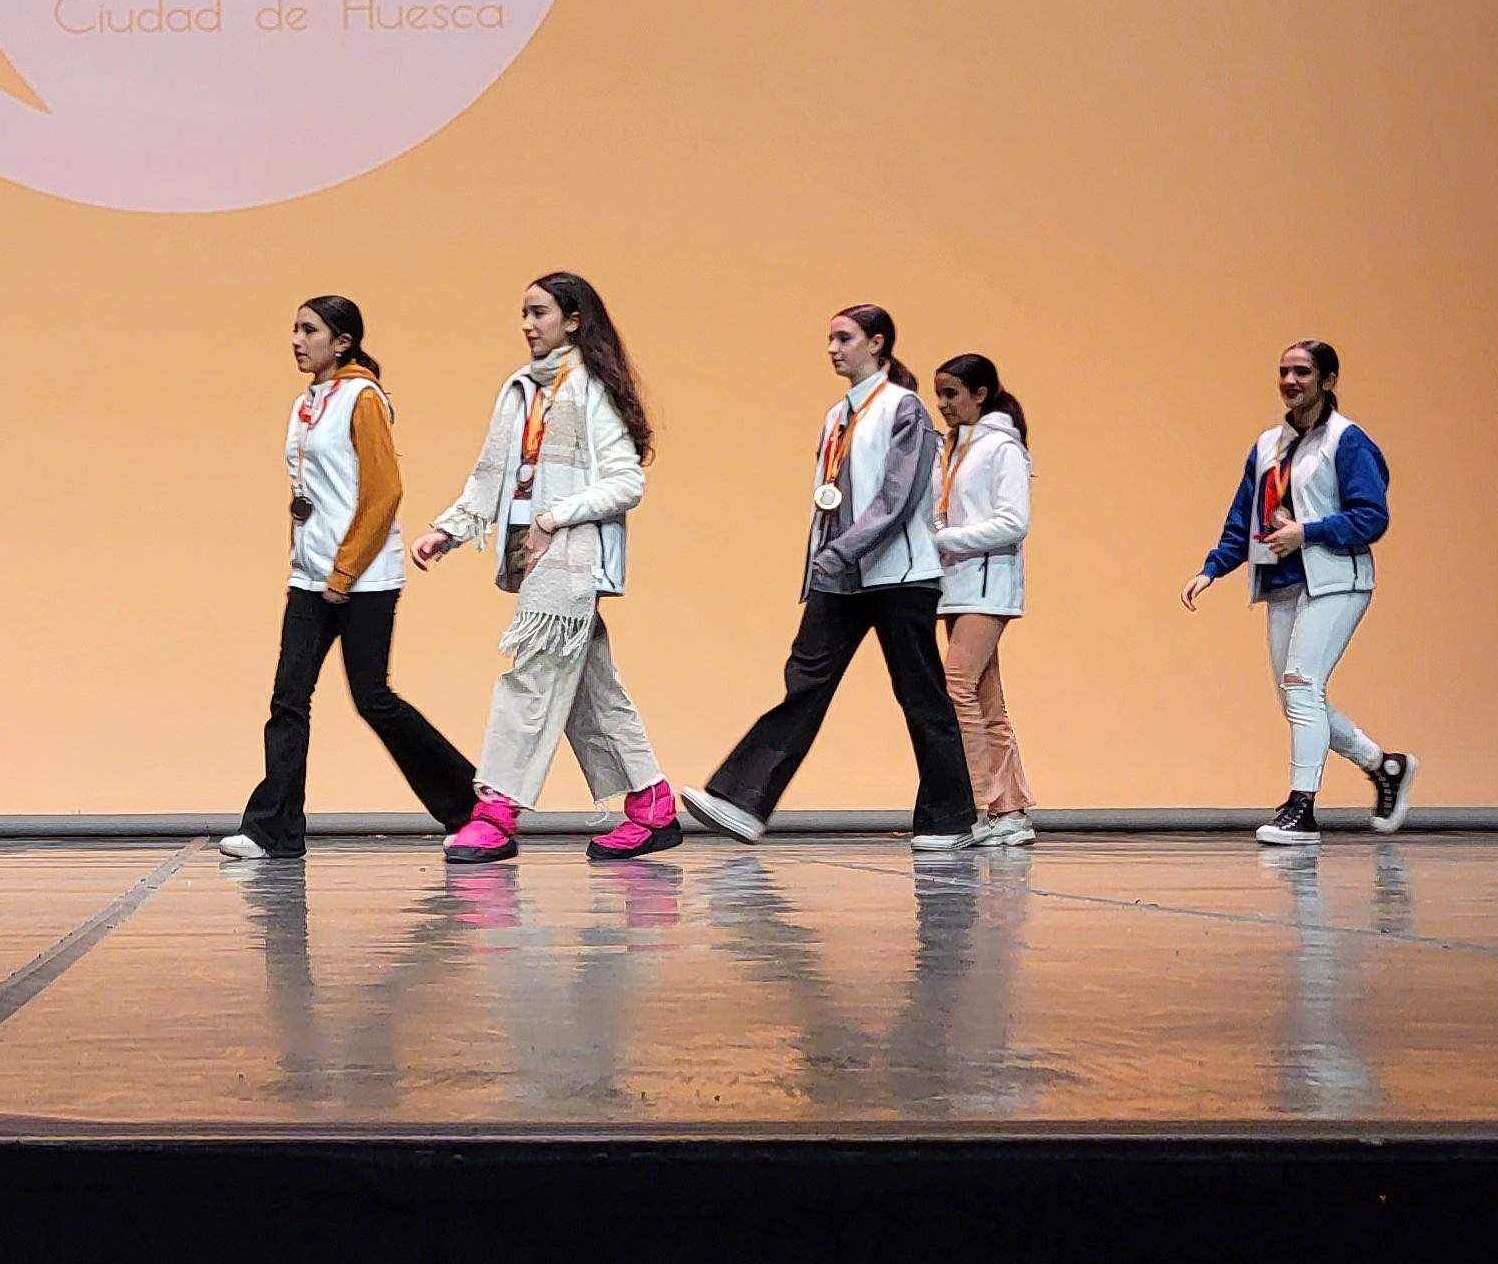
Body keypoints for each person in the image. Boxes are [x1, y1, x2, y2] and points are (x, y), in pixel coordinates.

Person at [682, 304, 977, 852]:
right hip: (841, 577)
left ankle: (951, 819)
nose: (833, 348)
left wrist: (841, 551)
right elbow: (831, 499)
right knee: (805, 683)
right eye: (830, 339)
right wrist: (821, 565)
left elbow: (897, 497)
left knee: (921, 696)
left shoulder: (902, 409)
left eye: (844, 338)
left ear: (877, 343)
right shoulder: (836, 415)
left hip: (900, 577)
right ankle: (743, 800)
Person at [407, 271, 675, 864]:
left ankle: (497, 813)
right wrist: (446, 530)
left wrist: (555, 518)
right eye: (524, 314)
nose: (527, 325)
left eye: (539, 313)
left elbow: (627, 481)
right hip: (536, 563)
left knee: (530, 681)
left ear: (573, 320)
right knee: (591, 692)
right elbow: (491, 476)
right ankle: (653, 804)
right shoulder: (521, 389)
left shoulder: (589, 388)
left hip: (571, 563)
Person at [214, 296, 479, 861]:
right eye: (294, 328)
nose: (296, 339)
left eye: (309, 330)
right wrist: (305, 561)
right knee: (288, 699)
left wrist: (344, 571)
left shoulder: (363, 398)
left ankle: (469, 803)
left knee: (374, 699)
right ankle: (273, 830)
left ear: (342, 342)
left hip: (365, 579)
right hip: (311, 579)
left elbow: (384, 491)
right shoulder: (306, 403)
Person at [1184, 338, 1416, 845]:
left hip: (1336, 579)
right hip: (1283, 581)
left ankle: (1301, 806)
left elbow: (1371, 517)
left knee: (1301, 687)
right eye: (1284, 371)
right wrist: (1213, 568)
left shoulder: (1348, 441)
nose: (1291, 381)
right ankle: (1384, 766)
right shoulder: (1267, 445)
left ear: (1329, 381)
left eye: (1303, 373)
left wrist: (1307, 532)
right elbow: (1245, 514)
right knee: (1297, 697)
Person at [931, 352, 1038, 847]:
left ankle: (972, 804)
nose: (943, 404)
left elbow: (1014, 521)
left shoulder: (1002, 449)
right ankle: (1010, 810)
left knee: (957, 686)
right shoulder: (954, 446)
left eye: (952, 394)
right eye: (940, 395)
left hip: (988, 584)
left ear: (981, 395)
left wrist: (947, 539)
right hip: (957, 585)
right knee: (987, 698)